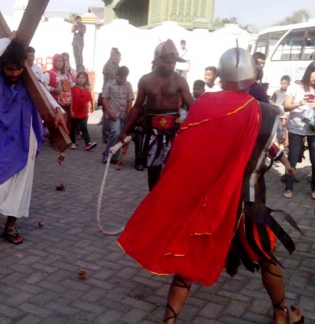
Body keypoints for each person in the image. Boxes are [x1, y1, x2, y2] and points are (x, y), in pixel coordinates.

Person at [118, 47, 303, 324]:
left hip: (209, 197)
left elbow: (187, 152)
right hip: (247, 200)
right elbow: (263, 149)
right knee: (265, 256)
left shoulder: (204, 103)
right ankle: (281, 313)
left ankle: (169, 320)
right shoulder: (265, 113)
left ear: (221, 77)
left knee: (189, 260)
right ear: (253, 77)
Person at [0, 33, 67, 244]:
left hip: (24, 138)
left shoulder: (29, 81)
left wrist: (57, 109)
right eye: (9, 69)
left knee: (21, 182)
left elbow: (47, 98)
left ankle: (11, 226)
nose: (14, 73)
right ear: (2, 67)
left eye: (18, 68)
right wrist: (8, 40)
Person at [120, 40, 193, 190]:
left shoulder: (180, 81)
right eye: (167, 61)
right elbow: (137, 107)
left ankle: (167, 200)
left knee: (173, 168)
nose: (170, 65)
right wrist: (125, 131)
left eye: (173, 62)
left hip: (173, 131)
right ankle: (152, 199)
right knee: (153, 169)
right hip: (152, 132)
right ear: (159, 62)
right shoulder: (146, 80)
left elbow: (192, 107)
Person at [283, 62, 315, 199]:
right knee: (293, 158)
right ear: (309, 72)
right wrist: (299, 103)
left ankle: (314, 189)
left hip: (313, 129)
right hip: (296, 129)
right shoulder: (295, 87)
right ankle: (289, 187)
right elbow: (286, 107)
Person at [101, 66, 134, 164]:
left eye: (124, 78)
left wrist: (128, 115)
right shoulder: (110, 84)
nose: (122, 80)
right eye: (120, 78)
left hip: (123, 115)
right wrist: (109, 112)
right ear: (116, 75)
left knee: (121, 136)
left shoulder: (128, 85)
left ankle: (115, 157)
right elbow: (104, 99)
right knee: (115, 132)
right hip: (113, 114)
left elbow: (129, 100)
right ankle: (106, 154)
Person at [70, 71, 97, 151]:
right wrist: (71, 111)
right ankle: (73, 142)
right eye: (79, 78)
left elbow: (86, 103)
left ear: (85, 80)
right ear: (76, 79)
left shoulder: (86, 91)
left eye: (83, 78)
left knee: (84, 128)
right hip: (74, 112)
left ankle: (88, 143)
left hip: (83, 113)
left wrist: (87, 112)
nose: (81, 80)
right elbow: (71, 100)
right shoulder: (73, 90)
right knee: (73, 128)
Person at [101, 48, 121, 143]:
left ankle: (110, 134)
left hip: (115, 94)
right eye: (115, 56)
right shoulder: (109, 66)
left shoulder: (118, 67)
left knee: (112, 114)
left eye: (118, 56)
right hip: (107, 94)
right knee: (106, 115)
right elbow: (105, 71)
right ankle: (106, 135)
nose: (117, 58)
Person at [271, 75, 290, 147]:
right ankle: (277, 145)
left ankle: (284, 144)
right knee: (277, 129)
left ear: (288, 84)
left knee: (285, 129)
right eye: (282, 83)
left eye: (285, 84)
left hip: (285, 114)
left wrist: (285, 116)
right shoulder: (276, 92)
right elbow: (273, 102)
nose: (283, 85)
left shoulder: (289, 93)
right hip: (277, 114)